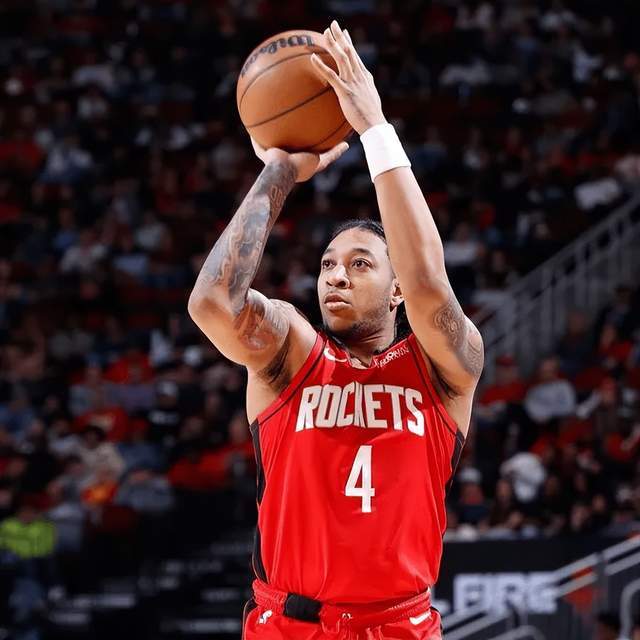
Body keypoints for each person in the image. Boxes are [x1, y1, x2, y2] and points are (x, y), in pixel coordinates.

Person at [188, 21, 484, 640]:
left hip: (400, 626)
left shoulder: (444, 368)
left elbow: (430, 285)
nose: (336, 276)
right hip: (289, 624)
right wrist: (278, 171)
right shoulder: (292, 351)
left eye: (360, 264)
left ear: (396, 290)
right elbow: (212, 303)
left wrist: (374, 127)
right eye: (327, 265)